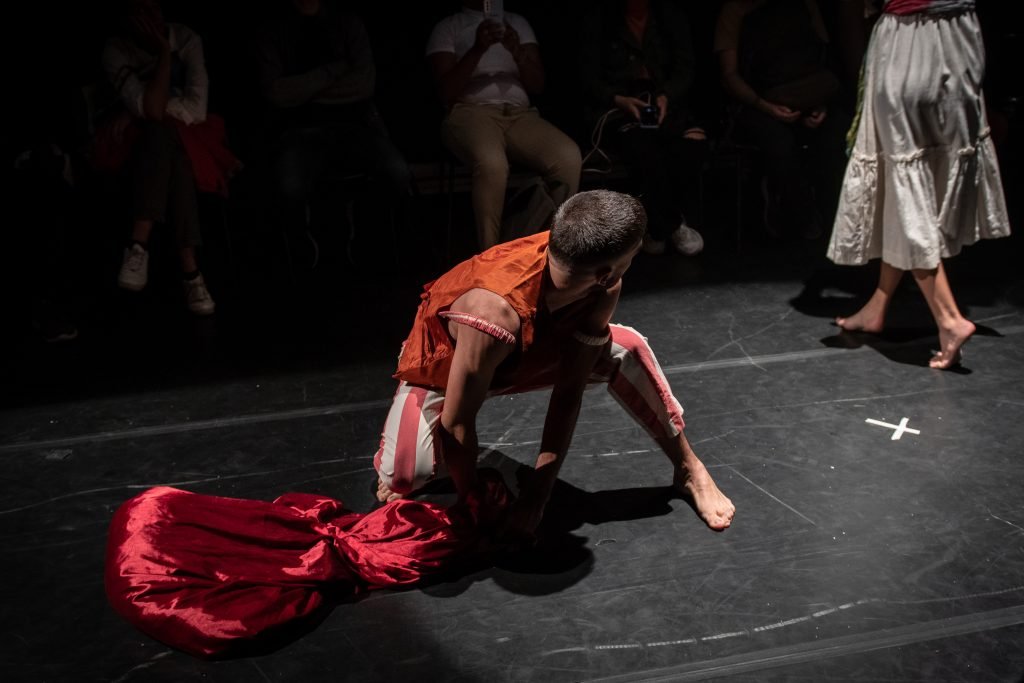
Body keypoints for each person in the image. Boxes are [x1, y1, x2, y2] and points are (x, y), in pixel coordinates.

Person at [373, 190, 735, 539]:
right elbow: (457, 421)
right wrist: (477, 501)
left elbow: (568, 392)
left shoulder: (602, 284)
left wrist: (538, 494)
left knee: (628, 349)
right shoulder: (491, 315)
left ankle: (689, 469)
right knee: (405, 477)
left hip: (536, 347)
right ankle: (410, 417)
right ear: (607, 270)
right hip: (449, 363)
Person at [826, 0, 1011, 369]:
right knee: (919, 178)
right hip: (961, 35)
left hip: (910, 38)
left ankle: (949, 318)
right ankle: (878, 305)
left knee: (903, 186)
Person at [253, 0, 413, 258]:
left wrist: (304, 90)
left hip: (355, 124)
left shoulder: (348, 23)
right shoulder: (272, 30)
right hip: (299, 128)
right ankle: (305, 244)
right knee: (288, 187)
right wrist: (334, 71)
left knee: (397, 173)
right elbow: (277, 93)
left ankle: (365, 236)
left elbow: (363, 85)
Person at [101, 0, 226, 315]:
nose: (149, 18)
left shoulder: (185, 39)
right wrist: (162, 63)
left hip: (190, 138)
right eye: (139, 12)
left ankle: (138, 244)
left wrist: (137, 113)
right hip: (141, 148)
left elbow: (195, 110)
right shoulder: (116, 50)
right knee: (166, 145)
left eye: (153, 9)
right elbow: (156, 112)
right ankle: (192, 273)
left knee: (164, 136)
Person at [427, 0, 583, 251]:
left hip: (519, 114)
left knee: (567, 157)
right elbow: (445, 92)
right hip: (471, 113)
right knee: (492, 164)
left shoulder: (517, 23)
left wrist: (517, 51)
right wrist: (478, 49)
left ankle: (544, 247)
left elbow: (537, 85)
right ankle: (490, 255)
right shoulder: (449, 27)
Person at [580, 0, 708, 257]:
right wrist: (618, 99)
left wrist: (666, 96)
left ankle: (655, 226)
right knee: (643, 147)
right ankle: (671, 225)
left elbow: (685, 67)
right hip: (620, 104)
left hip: (663, 100)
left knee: (690, 143)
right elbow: (587, 75)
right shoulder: (600, 20)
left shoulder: (670, 16)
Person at [715, 0, 850, 240]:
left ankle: (837, 219)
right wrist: (766, 106)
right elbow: (730, 75)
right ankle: (800, 216)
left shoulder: (804, 4)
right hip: (758, 99)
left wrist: (820, 103)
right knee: (778, 143)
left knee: (836, 134)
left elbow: (821, 57)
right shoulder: (736, 9)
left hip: (807, 96)